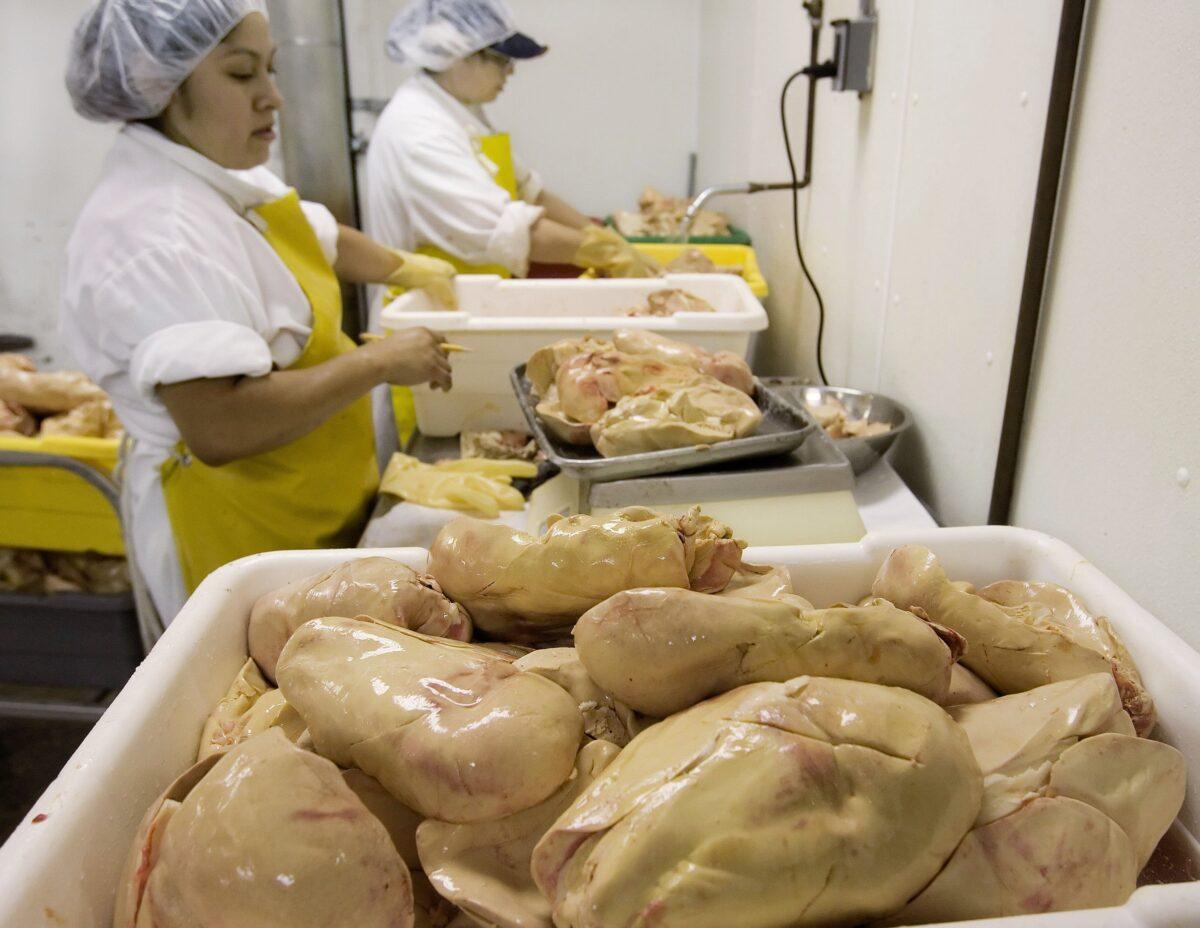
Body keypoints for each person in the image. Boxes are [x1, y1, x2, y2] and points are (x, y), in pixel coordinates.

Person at [61, 0, 459, 620]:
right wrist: (378, 362)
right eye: (242, 74)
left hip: (306, 506)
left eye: (271, 70)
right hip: (234, 528)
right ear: (159, 87)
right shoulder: (157, 230)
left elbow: (318, 237)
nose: (272, 97)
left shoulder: (222, 173)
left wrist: (414, 268)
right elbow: (221, 426)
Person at [364, 0, 659, 312]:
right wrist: (607, 253)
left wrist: (608, 238)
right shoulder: (418, 129)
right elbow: (509, 231)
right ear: (457, 58)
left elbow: (531, 192)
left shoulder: (458, 111)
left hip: (465, 301)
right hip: (424, 312)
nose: (511, 71)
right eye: (501, 60)